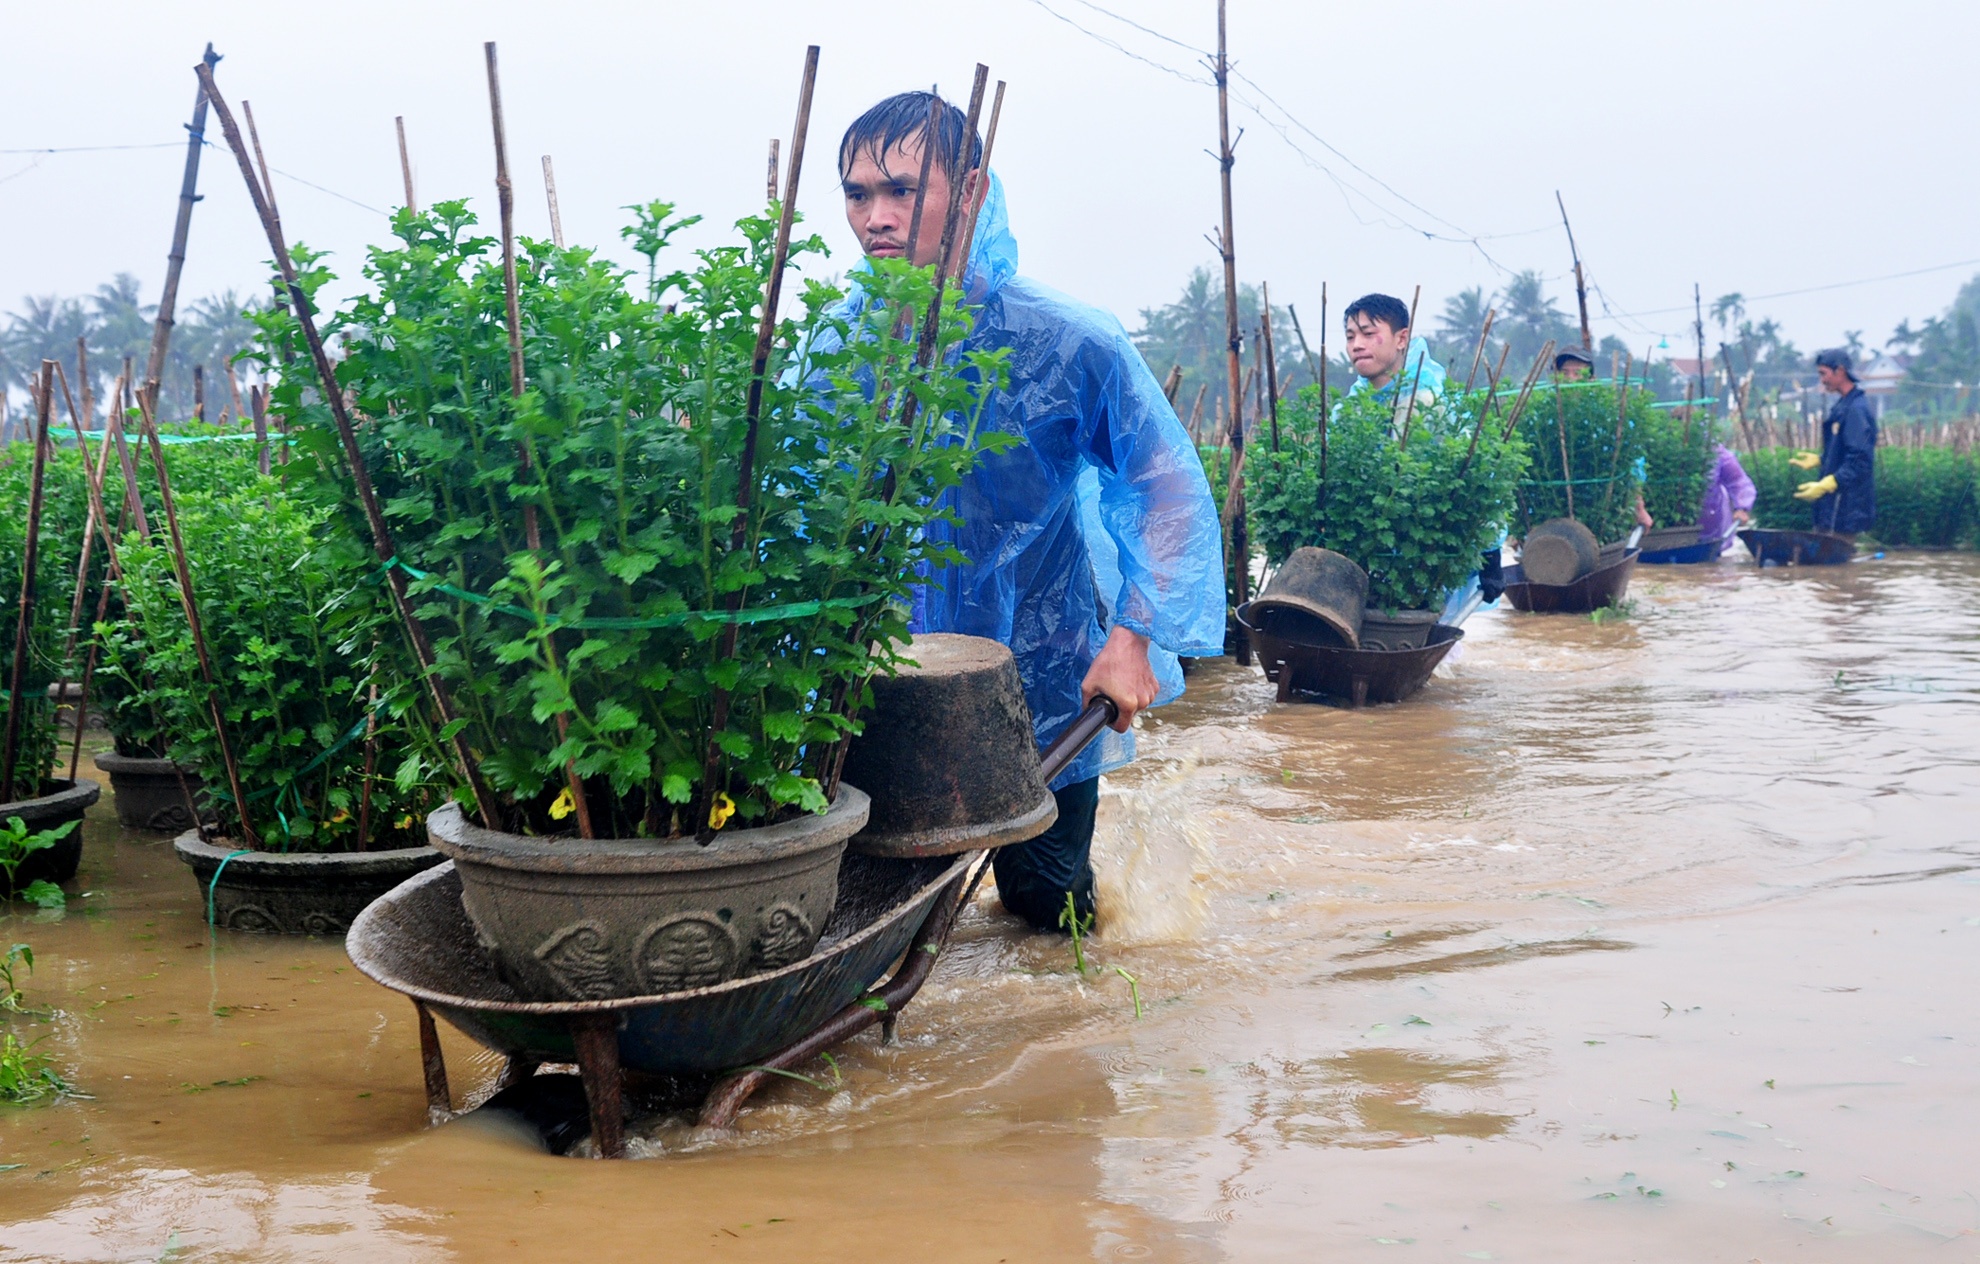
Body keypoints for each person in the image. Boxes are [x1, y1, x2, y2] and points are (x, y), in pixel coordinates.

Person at [829, 91, 1225, 933]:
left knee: (1044, 903)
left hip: (1038, 675)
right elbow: (790, 512)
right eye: (857, 194)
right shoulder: (837, 345)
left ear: (970, 191)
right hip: (881, 681)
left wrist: (1131, 639)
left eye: (901, 190)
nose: (875, 217)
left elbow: (1166, 491)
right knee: (873, 903)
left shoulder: (1069, 340)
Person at [1792, 348, 1877, 536]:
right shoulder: (1843, 405)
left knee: (1836, 556)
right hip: (1833, 506)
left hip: (1846, 506)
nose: (1822, 380)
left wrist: (1831, 482)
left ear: (1840, 371)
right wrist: (1823, 459)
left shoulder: (1856, 409)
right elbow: (1845, 451)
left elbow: (1860, 459)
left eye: (1824, 374)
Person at [1344, 293, 1444, 426]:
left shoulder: (1425, 403)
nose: (1357, 345)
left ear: (1402, 339)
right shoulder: (1347, 410)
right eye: (1350, 337)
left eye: (1368, 334)